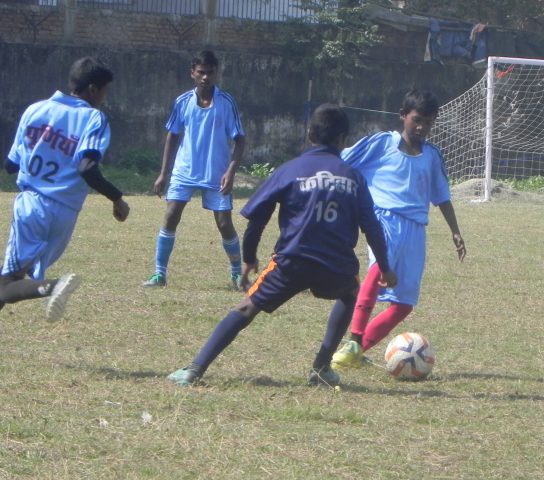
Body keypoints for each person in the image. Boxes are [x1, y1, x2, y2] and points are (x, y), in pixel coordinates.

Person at [166, 103, 397, 387]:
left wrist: (249, 258)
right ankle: (321, 367)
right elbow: (371, 226)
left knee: (246, 308)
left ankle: (194, 370)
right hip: (335, 265)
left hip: (292, 261)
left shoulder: (290, 170)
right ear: (342, 140)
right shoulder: (353, 176)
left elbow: (257, 218)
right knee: (350, 292)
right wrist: (384, 267)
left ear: (309, 133)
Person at [331, 89, 466, 370]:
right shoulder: (382, 144)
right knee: (378, 270)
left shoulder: (432, 156)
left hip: (416, 229)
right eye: (417, 120)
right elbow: (342, 160)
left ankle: (357, 350)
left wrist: (455, 231)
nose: (421, 127)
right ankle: (354, 338)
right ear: (403, 116)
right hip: (384, 219)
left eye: (428, 122)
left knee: (404, 303)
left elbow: (441, 196)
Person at [1, 57, 130, 321]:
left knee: (6, 283)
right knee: (10, 281)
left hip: (32, 205)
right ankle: (50, 286)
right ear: (93, 89)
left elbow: (11, 165)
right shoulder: (94, 118)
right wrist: (117, 199)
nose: (104, 98)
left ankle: (53, 286)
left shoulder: (35, 110)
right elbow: (86, 167)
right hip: (65, 213)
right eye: (105, 91)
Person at [143, 50, 246, 289]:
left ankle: (236, 275)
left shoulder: (226, 102)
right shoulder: (182, 102)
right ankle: (159, 274)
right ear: (192, 73)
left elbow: (240, 139)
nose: (205, 77)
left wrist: (230, 171)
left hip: (215, 172)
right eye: (201, 72)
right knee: (171, 215)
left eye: (210, 72)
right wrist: (163, 173)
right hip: (185, 170)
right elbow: (173, 135)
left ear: (216, 73)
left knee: (223, 223)